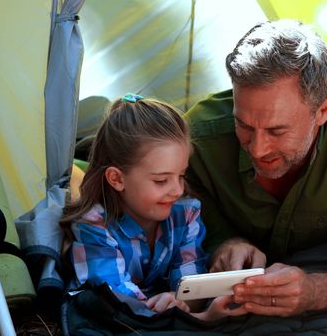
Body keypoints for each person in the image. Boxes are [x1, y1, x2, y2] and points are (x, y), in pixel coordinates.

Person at [183, 20, 327, 317]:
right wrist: (225, 242)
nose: (257, 148)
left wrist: (316, 293)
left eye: (277, 131)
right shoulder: (195, 140)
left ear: (323, 111)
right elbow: (186, 201)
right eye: (243, 125)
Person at [60, 93, 246, 321]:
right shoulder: (94, 224)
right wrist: (199, 317)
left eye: (181, 175)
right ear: (117, 179)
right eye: (161, 180)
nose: (177, 190)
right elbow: (112, 296)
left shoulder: (185, 213)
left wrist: (180, 302)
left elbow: (191, 282)